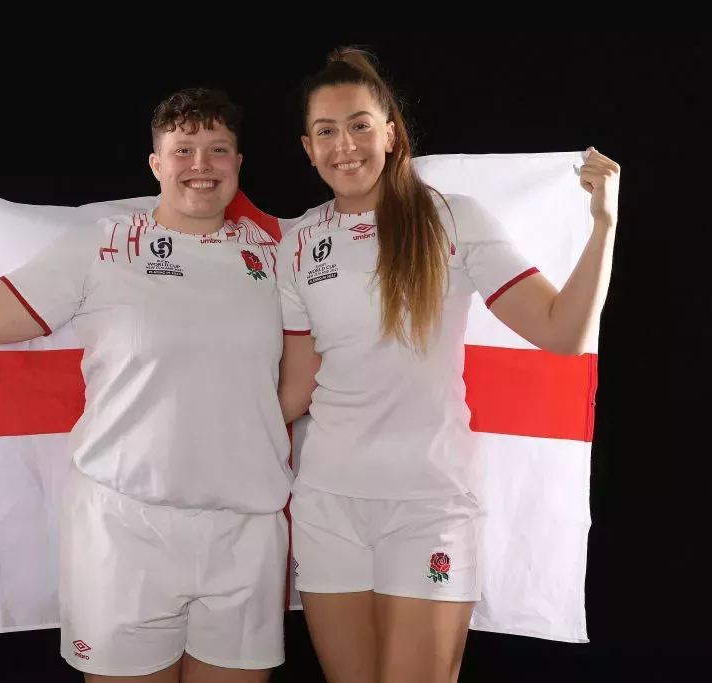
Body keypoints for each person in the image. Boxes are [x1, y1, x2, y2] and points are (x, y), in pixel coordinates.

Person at [0, 88, 291, 682]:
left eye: (218, 149)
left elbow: (317, 365)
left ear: (238, 163)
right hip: (124, 531)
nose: (201, 165)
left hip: (246, 530)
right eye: (183, 150)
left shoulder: (281, 256)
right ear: (156, 164)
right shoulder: (102, 245)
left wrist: (236, 437)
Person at [276, 48, 620, 683]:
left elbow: (563, 332)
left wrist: (603, 224)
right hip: (328, 507)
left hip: (429, 507)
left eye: (358, 124)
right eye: (325, 131)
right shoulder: (297, 242)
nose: (343, 145)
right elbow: (293, 390)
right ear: (306, 146)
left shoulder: (451, 219)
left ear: (390, 132)